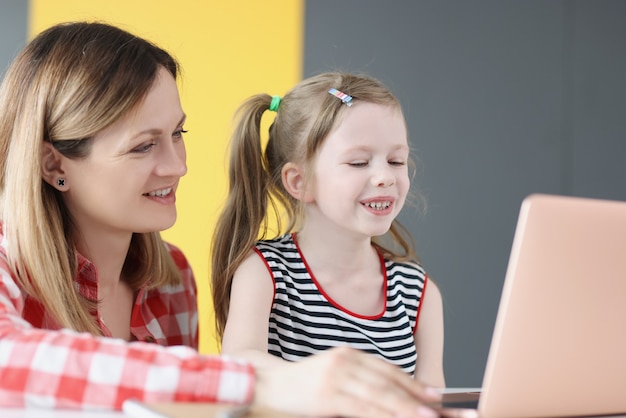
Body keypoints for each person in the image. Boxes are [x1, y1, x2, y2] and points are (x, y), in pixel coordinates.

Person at [0, 21, 441, 417]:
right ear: (54, 165)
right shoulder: (7, 259)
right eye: (143, 146)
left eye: (177, 134)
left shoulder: (171, 285)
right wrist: (261, 382)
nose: (177, 166)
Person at [211, 72, 446, 388]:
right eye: (359, 163)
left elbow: (431, 396)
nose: (386, 177)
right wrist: (328, 379)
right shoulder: (265, 272)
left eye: (396, 160)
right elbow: (240, 363)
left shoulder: (418, 293)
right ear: (300, 182)